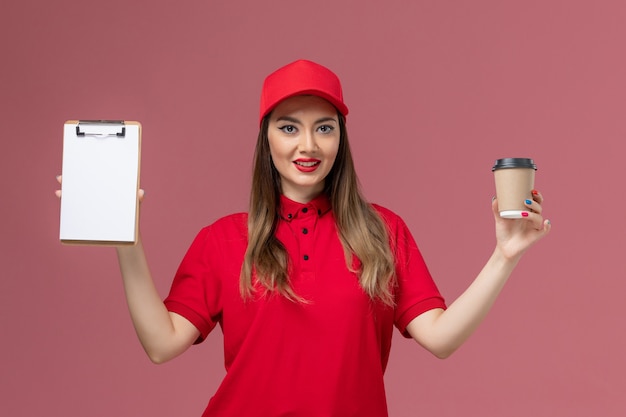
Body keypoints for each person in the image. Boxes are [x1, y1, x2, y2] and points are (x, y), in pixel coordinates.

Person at [58, 59, 551, 416]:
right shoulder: (224, 239)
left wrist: (504, 256)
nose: (308, 146)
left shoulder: (383, 231)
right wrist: (127, 240)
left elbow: (440, 338)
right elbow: (161, 344)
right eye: (289, 127)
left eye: (325, 128)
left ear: (341, 138)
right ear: (266, 137)